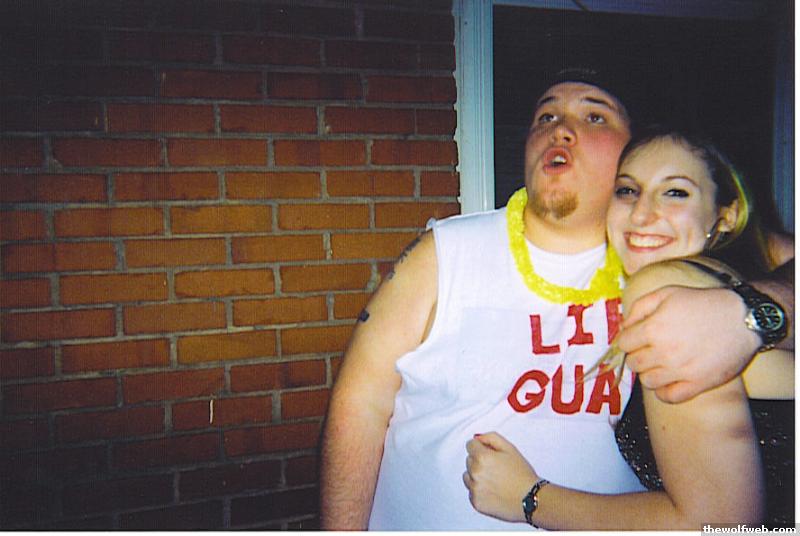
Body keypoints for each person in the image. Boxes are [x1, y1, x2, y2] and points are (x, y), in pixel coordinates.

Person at [320, 69, 793, 530]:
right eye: (546, 117)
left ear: (634, 151)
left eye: (594, 117)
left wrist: (747, 312)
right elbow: (359, 402)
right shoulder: (447, 249)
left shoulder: (660, 255)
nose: (561, 129)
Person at [463, 126, 794, 529]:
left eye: (675, 192)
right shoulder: (727, 277)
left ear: (727, 215)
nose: (641, 214)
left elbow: (717, 524)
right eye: (627, 191)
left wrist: (529, 498)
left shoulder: (663, 285)